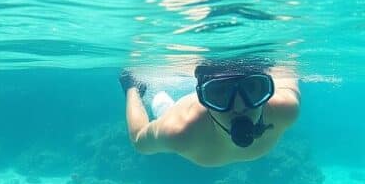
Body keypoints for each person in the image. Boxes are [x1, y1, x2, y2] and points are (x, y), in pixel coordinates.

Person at [119, 60, 300, 167]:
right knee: (164, 112)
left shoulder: (285, 108)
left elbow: (288, 73)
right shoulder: (180, 130)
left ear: (266, 91)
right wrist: (131, 88)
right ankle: (159, 102)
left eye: (252, 88)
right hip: (183, 116)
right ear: (203, 100)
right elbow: (138, 139)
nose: (238, 107)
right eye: (220, 93)